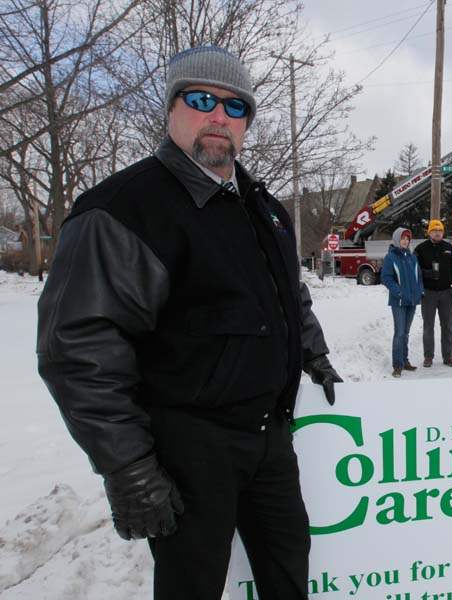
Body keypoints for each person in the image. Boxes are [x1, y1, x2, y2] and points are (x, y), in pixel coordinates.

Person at [36, 46, 342, 600]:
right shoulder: (125, 208)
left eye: (235, 106)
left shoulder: (262, 207)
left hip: (269, 439)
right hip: (188, 449)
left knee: (288, 572)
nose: (219, 117)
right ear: (172, 108)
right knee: (192, 587)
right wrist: (128, 467)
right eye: (201, 100)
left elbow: (288, 297)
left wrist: (313, 355)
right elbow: (79, 349)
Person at [414, 219, 452, 368]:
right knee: (428, 326)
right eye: (434, 230)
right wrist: (427, 273)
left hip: (446, 293)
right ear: (429, 232)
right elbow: (414, 271)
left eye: (440, 231)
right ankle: (428, 356)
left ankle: (448, 356)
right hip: (428, 293)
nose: (437, 233)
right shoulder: (420, 249)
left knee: (447, 326)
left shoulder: (449, 248)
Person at [381, 226, 425, 377]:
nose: (405, 241)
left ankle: (405, 361)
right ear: (397, 239)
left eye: (407, 239)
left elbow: (419, 276)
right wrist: (398, 292)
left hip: (412, 301)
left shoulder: (412, 257)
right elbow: (385, 277)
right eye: (403, 238)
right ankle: (397, 365)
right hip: (398, 302)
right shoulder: (391, 257)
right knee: (399, 333)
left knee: (406, 333)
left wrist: (421, 291)